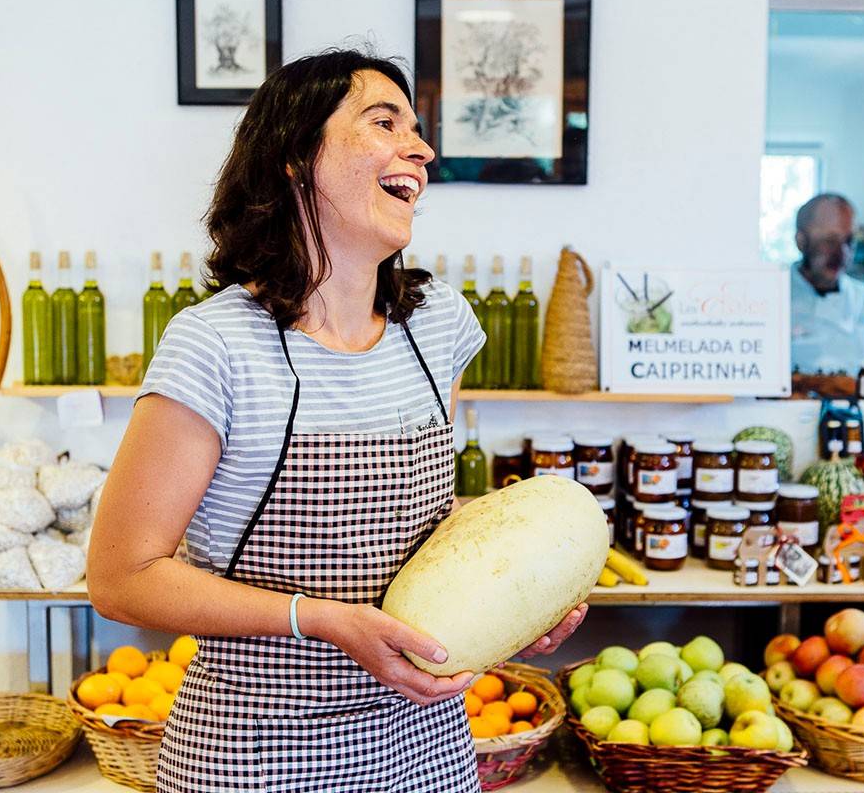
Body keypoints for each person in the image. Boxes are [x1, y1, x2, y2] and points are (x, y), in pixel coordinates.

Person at [87, 50, 587, 792]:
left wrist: (520, 590)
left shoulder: (438, 326)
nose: (419, 147)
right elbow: (121, 578)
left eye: (417, 130)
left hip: (424, 749)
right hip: (255, 756)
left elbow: (417, 518)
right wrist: (324, 619)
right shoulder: (217, 343)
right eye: (383, 123)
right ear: (295, 157)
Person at [789, 193, 864, 375]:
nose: (842, 253)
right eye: (830, 241)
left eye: (849, 241)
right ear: (801, 241)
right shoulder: (774, 297)